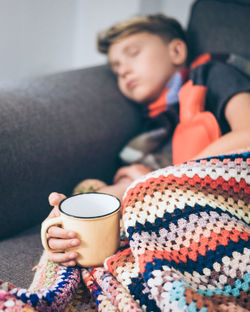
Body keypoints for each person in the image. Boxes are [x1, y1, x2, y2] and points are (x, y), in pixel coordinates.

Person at [44, 14, 250, 267]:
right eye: (117, 69)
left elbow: (247, 133)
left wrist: (165, 177)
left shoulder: (211, 73)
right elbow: (137, 187)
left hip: (229, 187)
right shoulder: (156, 127)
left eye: (133, 53)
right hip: (175, 202)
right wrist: (64, 225)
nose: (124, 71)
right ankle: (68, 232)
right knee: (107, 193)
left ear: (176, 51)